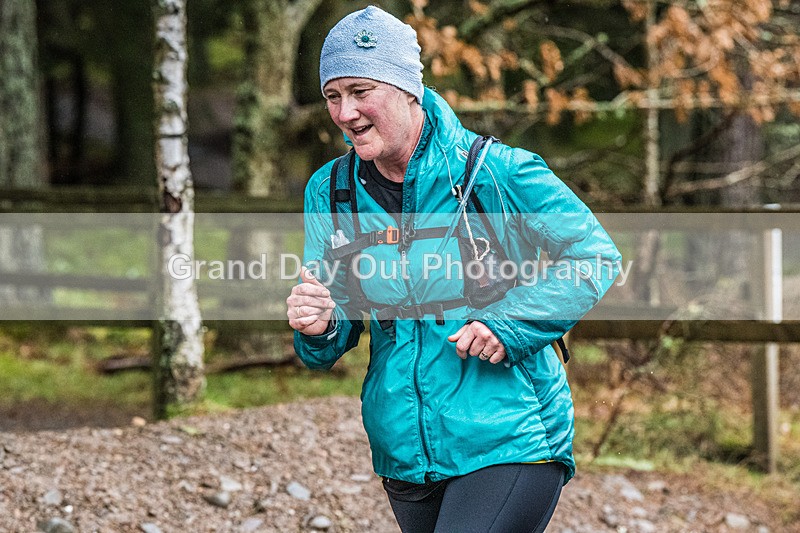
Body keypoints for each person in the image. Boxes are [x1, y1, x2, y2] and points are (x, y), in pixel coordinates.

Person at [287, 6, 620, 532]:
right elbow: (334, 324)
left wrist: (507, 324)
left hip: (510, 433)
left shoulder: (496, 171)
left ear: (407, 89)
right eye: (333, 96)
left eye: (360, 91)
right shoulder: (332, 191)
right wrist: (319, 322)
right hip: (403, 445)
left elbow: (593, 257)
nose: (345, 113)